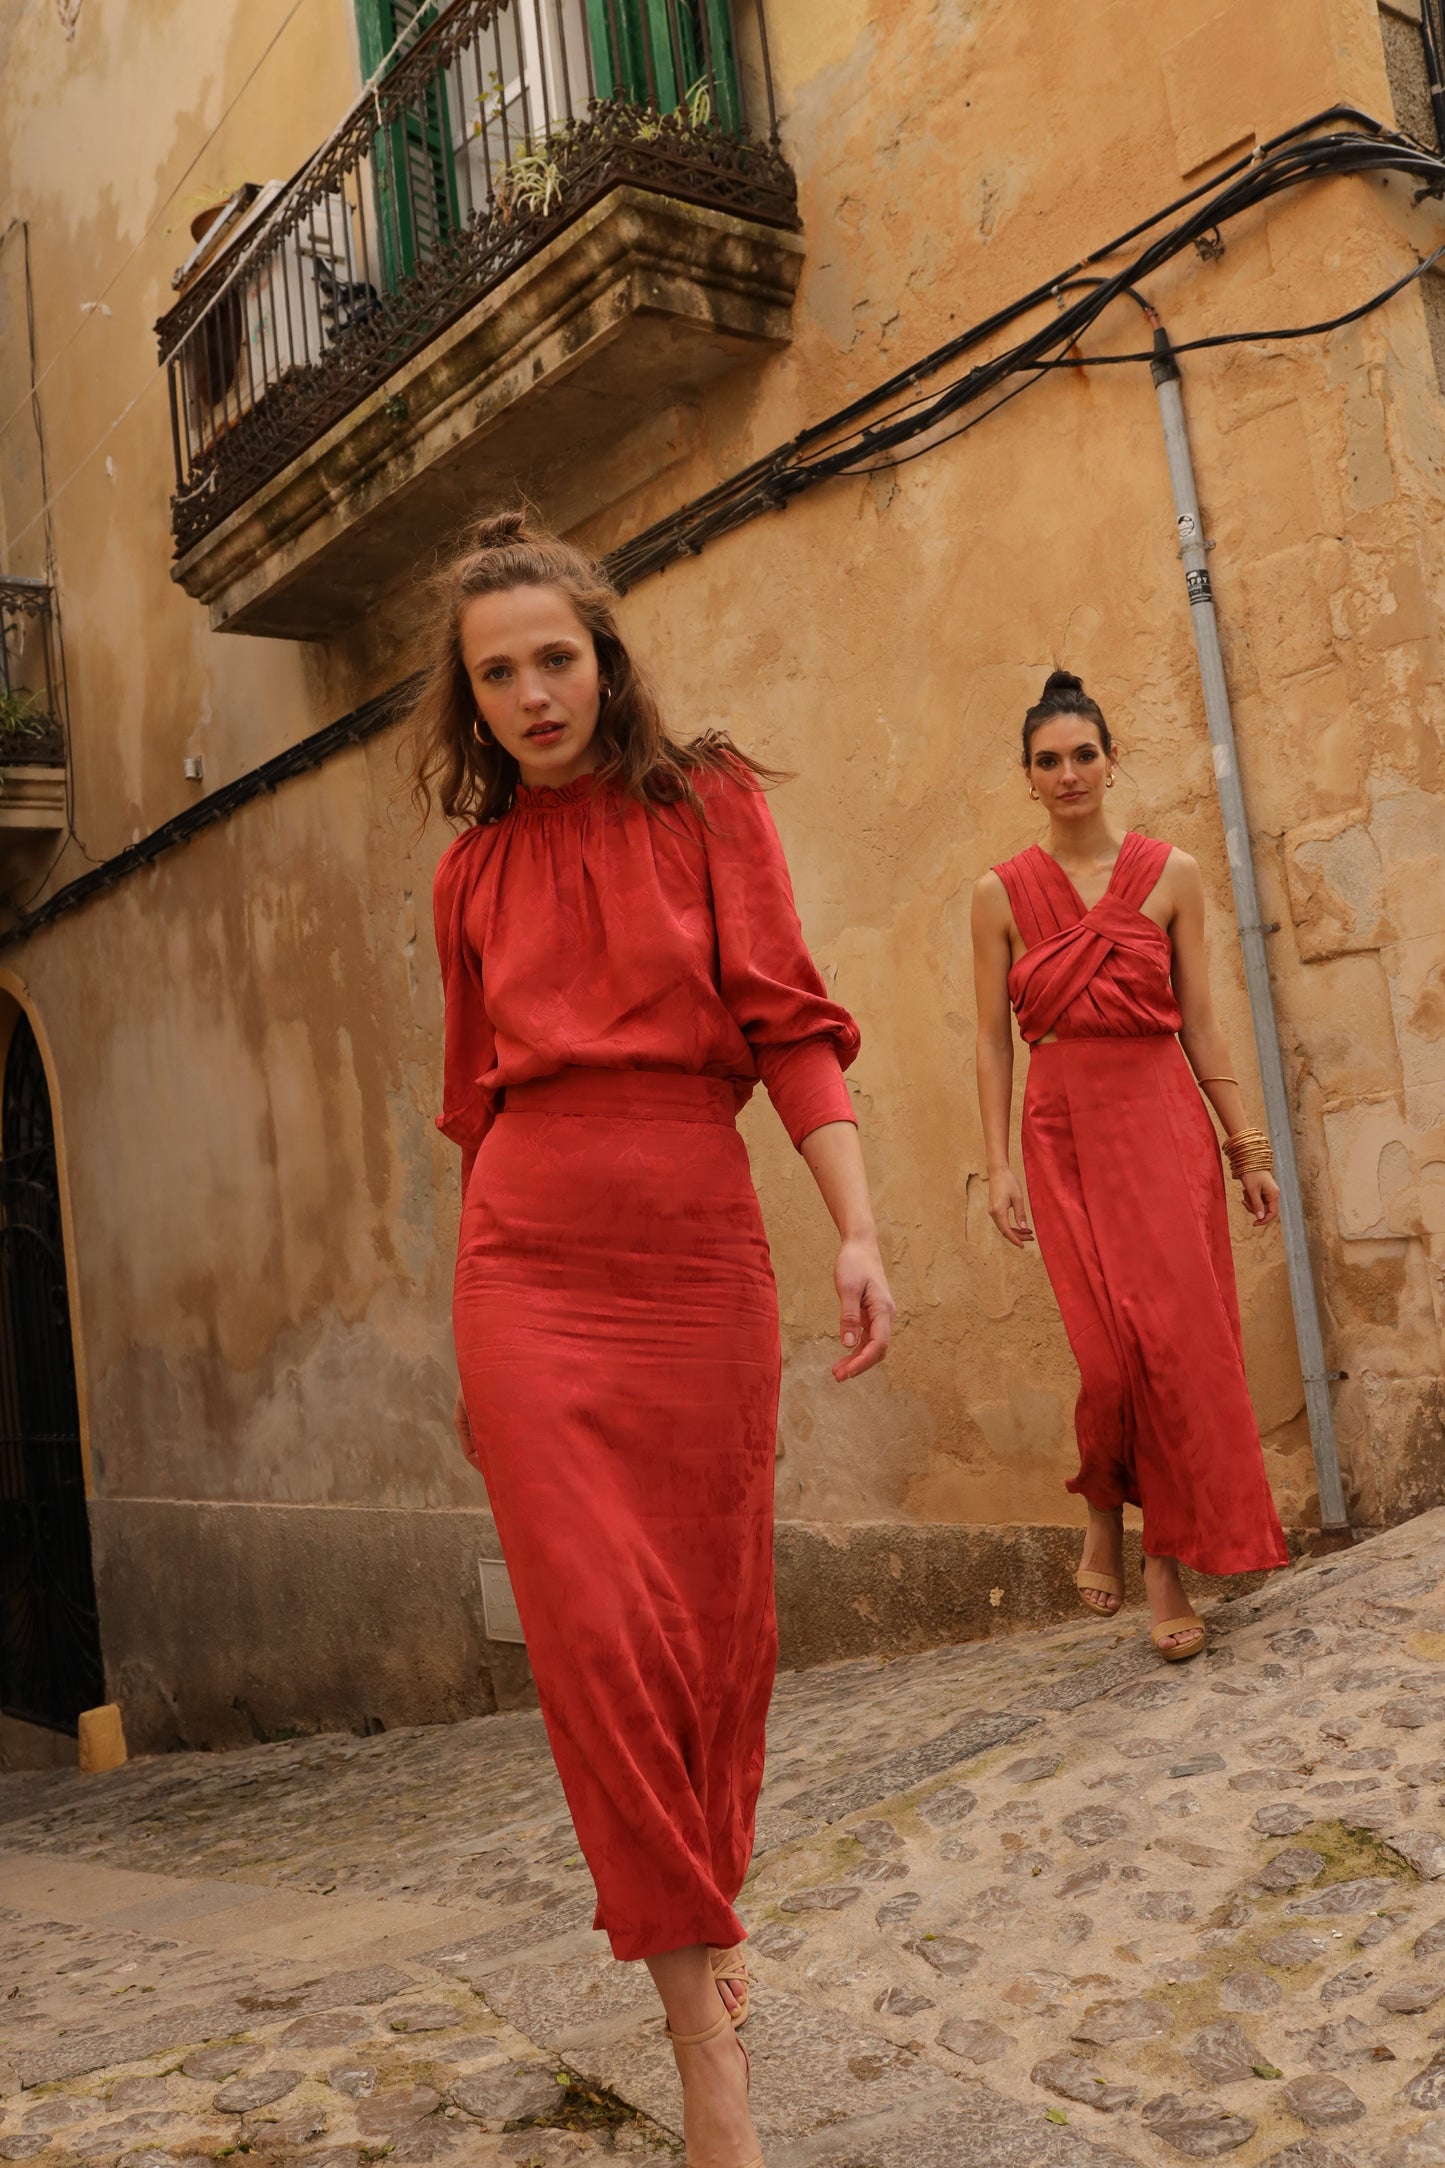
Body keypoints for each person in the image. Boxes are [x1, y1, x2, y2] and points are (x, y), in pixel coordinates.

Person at [414, 512, 894, 2168]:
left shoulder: (708, 806)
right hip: (528, 1264)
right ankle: (704, 2038)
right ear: (468, 701)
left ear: (604, 659)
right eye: (498, 672)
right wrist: (469, 1331)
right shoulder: (467, 876)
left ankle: (710, 1925)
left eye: (556, 656)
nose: (533, 692)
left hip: (692, 1255)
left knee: (707, 1636)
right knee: (598, 1645)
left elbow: (787, 1020)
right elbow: (477, 1110)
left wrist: (855, 1223)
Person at [970, 669, 1288, 1661]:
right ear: (1027, 775)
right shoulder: (996, 894)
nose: (1068, 772)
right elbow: (989, 1042)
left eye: (1083, 754)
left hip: (1160, 1122)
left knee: (1173, 1350)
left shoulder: (1172, 874)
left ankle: (1162, 1561)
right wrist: (997, 1166)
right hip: (1058, 1128)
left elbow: (1196, 1021)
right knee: (1107, 1354)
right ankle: (1101, 1498)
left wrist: (1244, 1150)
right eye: (1047, 759)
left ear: (1110, 761)